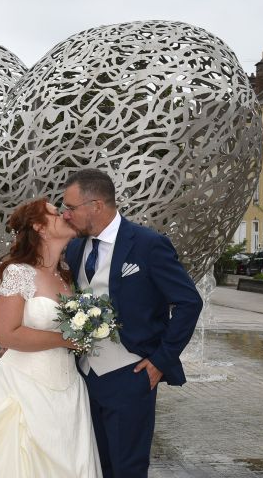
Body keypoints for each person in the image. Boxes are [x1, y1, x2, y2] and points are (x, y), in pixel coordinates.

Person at [62, 169, 203, 478]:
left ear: (96, 205)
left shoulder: (147, 244)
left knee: (129, 469)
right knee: (94, 467)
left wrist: (160, 361)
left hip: (131, 374)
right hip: (83, 377)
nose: (66, 215)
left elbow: (189, 302)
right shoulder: (74, 248)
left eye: (71, 207)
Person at [0, 198, 102, 477]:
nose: (65, 215)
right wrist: (65, 340)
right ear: (40, 227)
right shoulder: (19, 273)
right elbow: (6, 334)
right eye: (56, 213)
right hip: (25, 390)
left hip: (69, 392)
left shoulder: (66, 278)